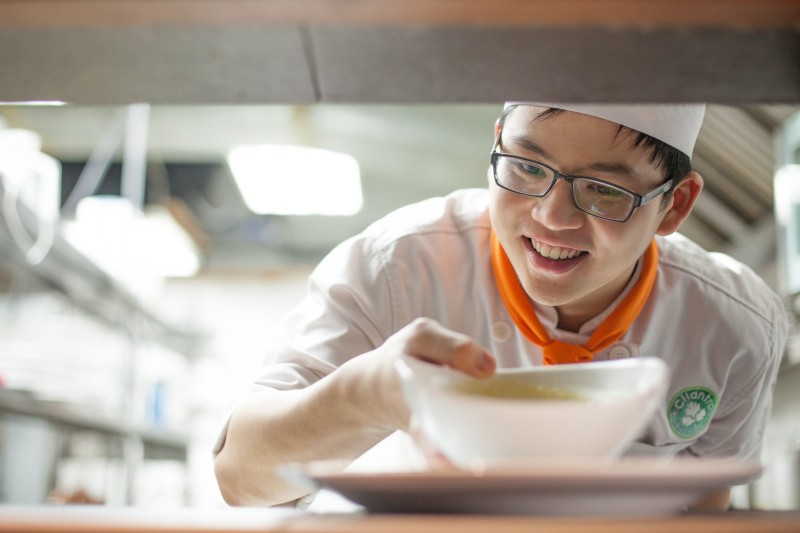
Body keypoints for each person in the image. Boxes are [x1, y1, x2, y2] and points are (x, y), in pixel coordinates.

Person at [213, 103, 789, 511]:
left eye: (604, 190)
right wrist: (362, 397)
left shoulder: (734, 325)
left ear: (675, 205)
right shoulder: (397, 267)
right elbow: (241, 477)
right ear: (496, 145)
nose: (552, 217)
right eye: (527, 168)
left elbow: (703, 510)